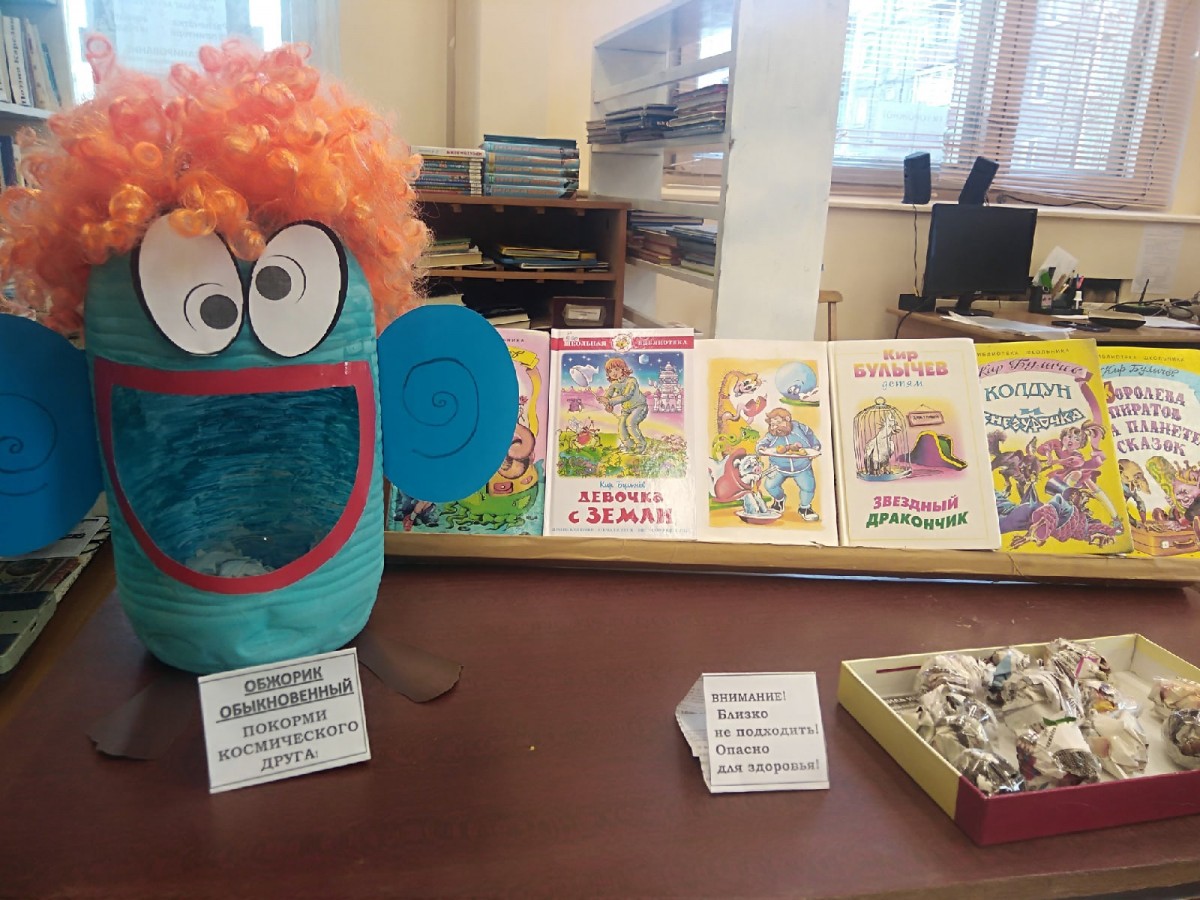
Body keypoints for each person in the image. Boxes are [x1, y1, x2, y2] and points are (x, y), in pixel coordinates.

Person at [756, 407, 821, 520]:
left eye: (778, 423)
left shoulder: (800, 427)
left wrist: (815, 447)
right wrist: (761, 447)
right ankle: (779, 500)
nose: (775, 427)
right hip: (778, 467)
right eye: (772, 424)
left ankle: (805, 508)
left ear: (787, 419)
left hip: (802, 466)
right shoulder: (772, 435)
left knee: (808, 487)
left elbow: (811, 436)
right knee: (770, 485)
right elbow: (762, 443)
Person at [600, 357, 648, 452]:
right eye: (610, 371)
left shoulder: (631, 381)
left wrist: (610, 402)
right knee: (621, 426)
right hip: (626, 410)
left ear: (623, 369)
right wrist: (607, 404)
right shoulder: (614, 384)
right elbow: (608, 396)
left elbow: (627, 396)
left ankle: (641, 444)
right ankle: (628, 445)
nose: (614, 373)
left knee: (630, 423)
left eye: (616, 369)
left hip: (639, 407)